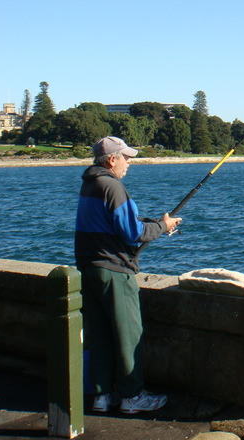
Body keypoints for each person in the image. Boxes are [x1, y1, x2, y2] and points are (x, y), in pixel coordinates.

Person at [75, 136, 181, 414]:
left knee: (99, 335)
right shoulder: (113, 187)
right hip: (114, 271)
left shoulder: (90, 185)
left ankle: (102, 395)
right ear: (112, 160)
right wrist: (162, 226)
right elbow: (133, 233)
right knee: (127, 335)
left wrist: (156, 224)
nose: (129, 163)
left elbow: (116, 225)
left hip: (90, 269)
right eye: (126, 157)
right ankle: (132, 396)